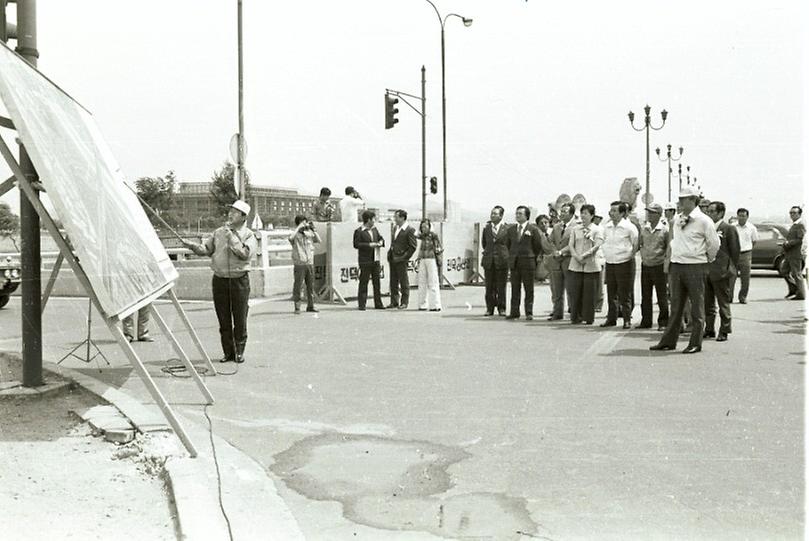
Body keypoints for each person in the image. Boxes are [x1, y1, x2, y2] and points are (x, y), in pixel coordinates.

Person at [181, 200, 258, 364]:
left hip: (239, 281)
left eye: (235, 212)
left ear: (244, 217)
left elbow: (245, 254)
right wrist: (193, 247)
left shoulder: (249, 235)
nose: (230, 214)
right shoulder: (218, 232)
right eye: (230, 211)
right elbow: (207, 250)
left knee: (240, 318)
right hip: (220, 280)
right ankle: (228, 352)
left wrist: (232, 238)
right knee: (223, 319)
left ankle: (239, 352)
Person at [651, 186, 720, 354]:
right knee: (676, 306)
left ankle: (695, 342)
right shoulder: (678, 219)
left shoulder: (703, 220)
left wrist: (706, 259)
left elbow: (714, 244)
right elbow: (674, 242)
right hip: (677, 265)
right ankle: (669, 341)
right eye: (680, 199)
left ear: (692, 200)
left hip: (695, 266)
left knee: (697, 306)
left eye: (683, 199)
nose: (680, 202)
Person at [704, 201, 740, 342]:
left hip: (721, 271)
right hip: (706, 270)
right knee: (708, 303)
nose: (709, 213)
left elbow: (735, 251)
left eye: (712, 211)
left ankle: (724, 330)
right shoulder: (706, 227)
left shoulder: (728, 229)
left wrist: (730, 269)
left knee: (723, 302)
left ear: (720, 213)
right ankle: (709, 329)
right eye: (708, 211)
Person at [600, 201, 638, 329]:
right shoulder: (607, 227)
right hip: (610, 262)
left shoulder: (629, 227)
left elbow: (636, 244)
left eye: (615, 211)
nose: (612, 213)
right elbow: (603, 241)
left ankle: (627, 319)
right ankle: (611, 319)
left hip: (624, 262)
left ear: (622, 213)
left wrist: (629, 256)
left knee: (625, 293)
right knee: (611, 292)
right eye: (611, 211)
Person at [567, 204, 604, 325]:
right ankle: (575, 316)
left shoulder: (597, 229)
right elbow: (571, 245)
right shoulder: (575, 229)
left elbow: (597, 245)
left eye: (586, 213)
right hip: (576, 263)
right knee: (575, 291)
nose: (583, 216)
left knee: (589, 292)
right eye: (582, 213)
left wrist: (584, 255)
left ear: (592, 215)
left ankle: (588, 317)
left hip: (591, 264)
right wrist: (576, 256)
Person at [506, 205, 543, 321]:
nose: (517, 215)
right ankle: (514, 312)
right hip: (515, 263)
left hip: (528, 262)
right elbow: (508, 245)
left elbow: (537, 246)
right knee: (515, 288)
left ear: (527, 216)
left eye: (520, 214)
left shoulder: (533, 230)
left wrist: (531, 257)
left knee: (529, 288)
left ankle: (529, 312)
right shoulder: (511, 230)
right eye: (516, 213)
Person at [637, 203, 670, 331]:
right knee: (646, 295)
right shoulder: (644, 229)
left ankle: (663, 322)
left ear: (658, 215)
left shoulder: (665, 230)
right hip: (646, 265)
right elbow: (640, 244)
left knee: (661, 295)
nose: (649, 215)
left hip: (659, 266)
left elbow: (667, 248)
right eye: (648, 212)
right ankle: (646, 320)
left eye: (652, 213)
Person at [546, 203, 577, 320]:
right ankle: (557, 313)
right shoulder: (556, 227)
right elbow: (551, 241)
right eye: (562, 211)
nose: (562, 213)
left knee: (571, 290)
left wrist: (562, 252)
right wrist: (555, 251)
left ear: (572, 213)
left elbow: (574, 244)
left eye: (565, 211)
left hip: (569, 260)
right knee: (556, 289)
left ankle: (574, 313)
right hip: (556, 261)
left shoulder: (576, 227)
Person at [353, 210, 386, 310]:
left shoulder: (375, 230)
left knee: (377, 282)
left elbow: (381, 238)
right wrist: (369, 245)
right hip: (365, 260)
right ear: (368, 220)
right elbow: (356, 244)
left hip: (375, 259)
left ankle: (378, 303)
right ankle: (362, 304)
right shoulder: (359, 231)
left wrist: (381, 242)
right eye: (373, 219)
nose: (374, 221)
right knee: (364, 282)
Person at [288, 215, 321, 314]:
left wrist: (313, 229)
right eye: (303, 222)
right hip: (299, 263)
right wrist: (298, 227)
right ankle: (297, 307)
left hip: (310, 262)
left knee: (310, 285)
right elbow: (290, 238)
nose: (305, 224)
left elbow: (319, 240)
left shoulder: (309, 234)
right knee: (298, 285)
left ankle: (310, 305)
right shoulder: (295, 234)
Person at [481, 206, 510, 316]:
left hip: (502, 261)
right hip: (489, 260)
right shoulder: (487, 228)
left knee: (501, 286)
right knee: (489, 286)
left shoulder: (507, 228)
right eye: (492, 213)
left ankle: (502, 308)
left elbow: (509, 244)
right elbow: (484, 244)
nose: (492, 215)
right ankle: (489, 308)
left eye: (495, 214)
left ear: (501, 216)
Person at [387, 209, 418, 309]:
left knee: (403, 281)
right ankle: (394, 301)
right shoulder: (396, 228)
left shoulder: (410, 230)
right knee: (393, 281)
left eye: (396, 217)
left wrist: (404, 257)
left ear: (402, 218)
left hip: (401, 259)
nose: (395, 219)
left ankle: (404, 302)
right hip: (393, 257)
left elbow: (413, 246)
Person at [415, 219, 443, 311]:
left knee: (433, 281)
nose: (423, 228)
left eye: (425, 226)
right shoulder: (421, 236)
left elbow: (439, 247)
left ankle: (436, 304)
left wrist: (437, 254)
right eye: (422, 227)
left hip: (432, 259)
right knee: (422, 281)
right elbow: (415, 234)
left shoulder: (434, 236)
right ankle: (422, 304)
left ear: (430, 227)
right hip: (422, 258)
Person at [731, 208, 758, 303]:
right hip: (734, 254)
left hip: (746, 254)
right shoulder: (732, 226)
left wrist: (747, 249)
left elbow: (754, 241)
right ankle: (729, 297)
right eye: (740, 215)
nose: (741, 218)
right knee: (731, 277)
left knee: (745, 278)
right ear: (737, 216)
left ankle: (742, 297)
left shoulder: (751, 228)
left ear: (747, 217)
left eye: (744, 216)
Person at [782, 205, 806, 300]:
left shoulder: (800, 224)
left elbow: (800, 239)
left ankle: (801, 294)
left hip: (795, 253)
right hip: (789, 253)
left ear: (799, 214)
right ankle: (794, 289)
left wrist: (788, 243)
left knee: (797, 274)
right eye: (791, 213)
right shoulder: (794, 224)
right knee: (784, 271)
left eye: (794, 213)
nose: (792, 215)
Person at [534, 215, 551, 283]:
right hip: (540, 259)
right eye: (541, 223)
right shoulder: (537, 235)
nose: (544, 225)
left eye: (546, 222)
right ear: (537, 225)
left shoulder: (552, 233)